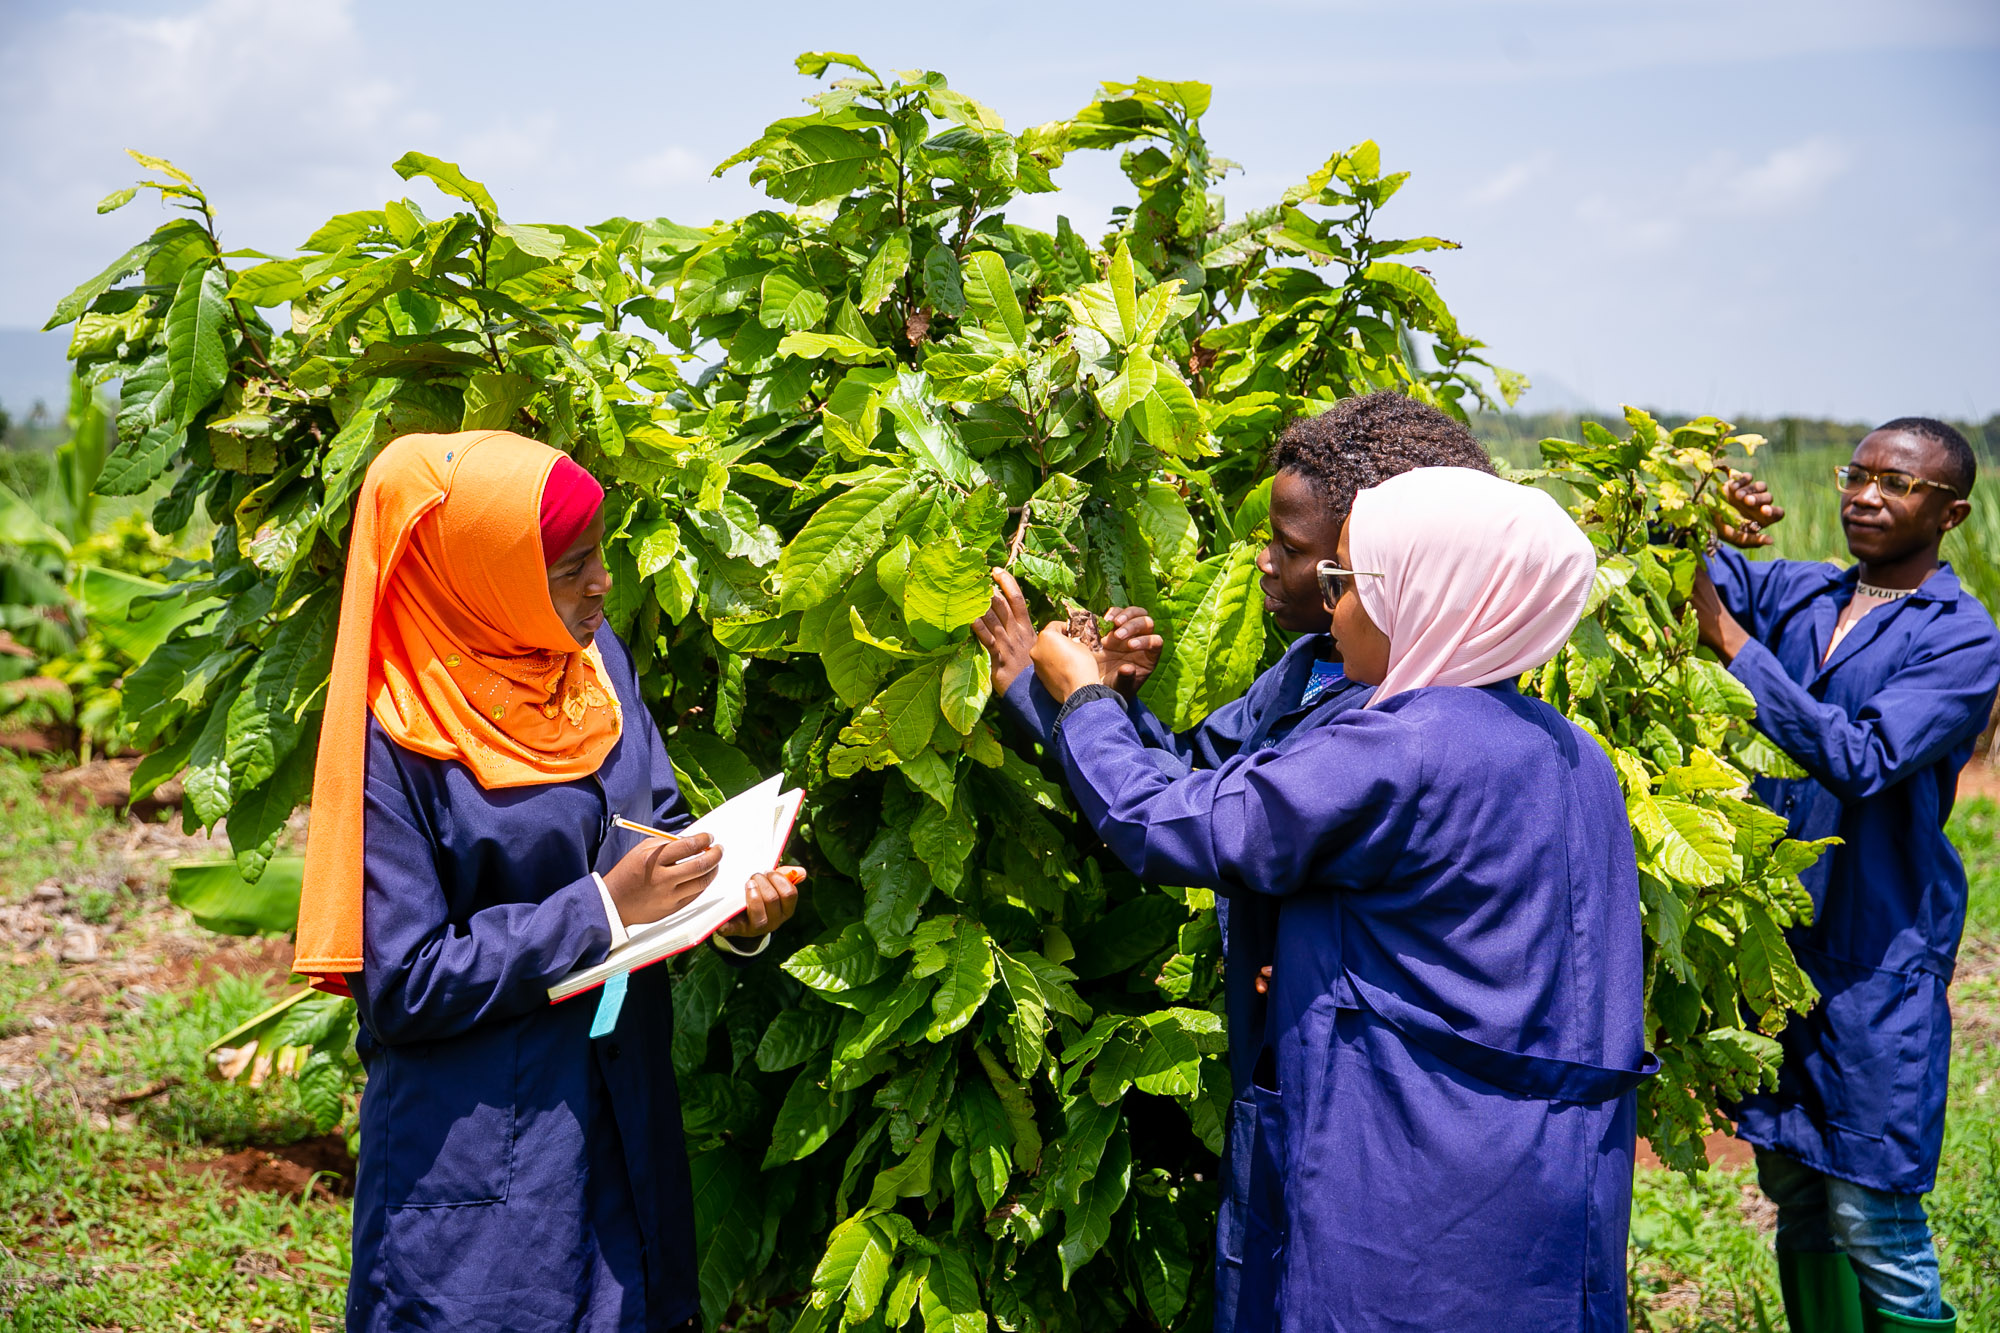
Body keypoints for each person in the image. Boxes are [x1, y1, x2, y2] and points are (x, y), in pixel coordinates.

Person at [1025, 465, 1653, 1330]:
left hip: (1411, 1188)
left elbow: (1170, 822)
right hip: (1536, 1182)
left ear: (1427, 597)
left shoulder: (1402, 749)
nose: (1335, 607)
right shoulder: (1572, 752)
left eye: (1348, 583)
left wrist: (1081, 697)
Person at [973, 392, 1498, 1327]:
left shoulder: (1400, 725)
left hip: (1362, 1102)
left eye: (1292, 551)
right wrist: (1095, 699)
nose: (1264, 559)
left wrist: (1074, 698)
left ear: (1373, 565)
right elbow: (1189, 779)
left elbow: (1186, 828)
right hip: (1286, 1069)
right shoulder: (1305, 670)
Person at [291, 430, 803, 1333]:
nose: (600, 584)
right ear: (488, 582)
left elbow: (658, 827)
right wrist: (603, 908)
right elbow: (404, 984)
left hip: (616, 1106)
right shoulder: (398, 731)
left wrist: (732, 900)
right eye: (569, 570)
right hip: (484, 1143)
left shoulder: (593, 670)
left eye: (599, 554)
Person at [1693, 418, 2000, 1332]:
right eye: (1856, 475)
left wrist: (1733, 646)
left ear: (1951, 512)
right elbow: (1688, 575)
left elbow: (1863, 758)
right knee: (1794, 1183)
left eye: (1897, 485)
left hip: (1878, 943)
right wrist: (1703, 512)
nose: (1866, 495)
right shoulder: (1804, 593)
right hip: (1781, 939)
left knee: (1873, 1202)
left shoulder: (1963, 637)